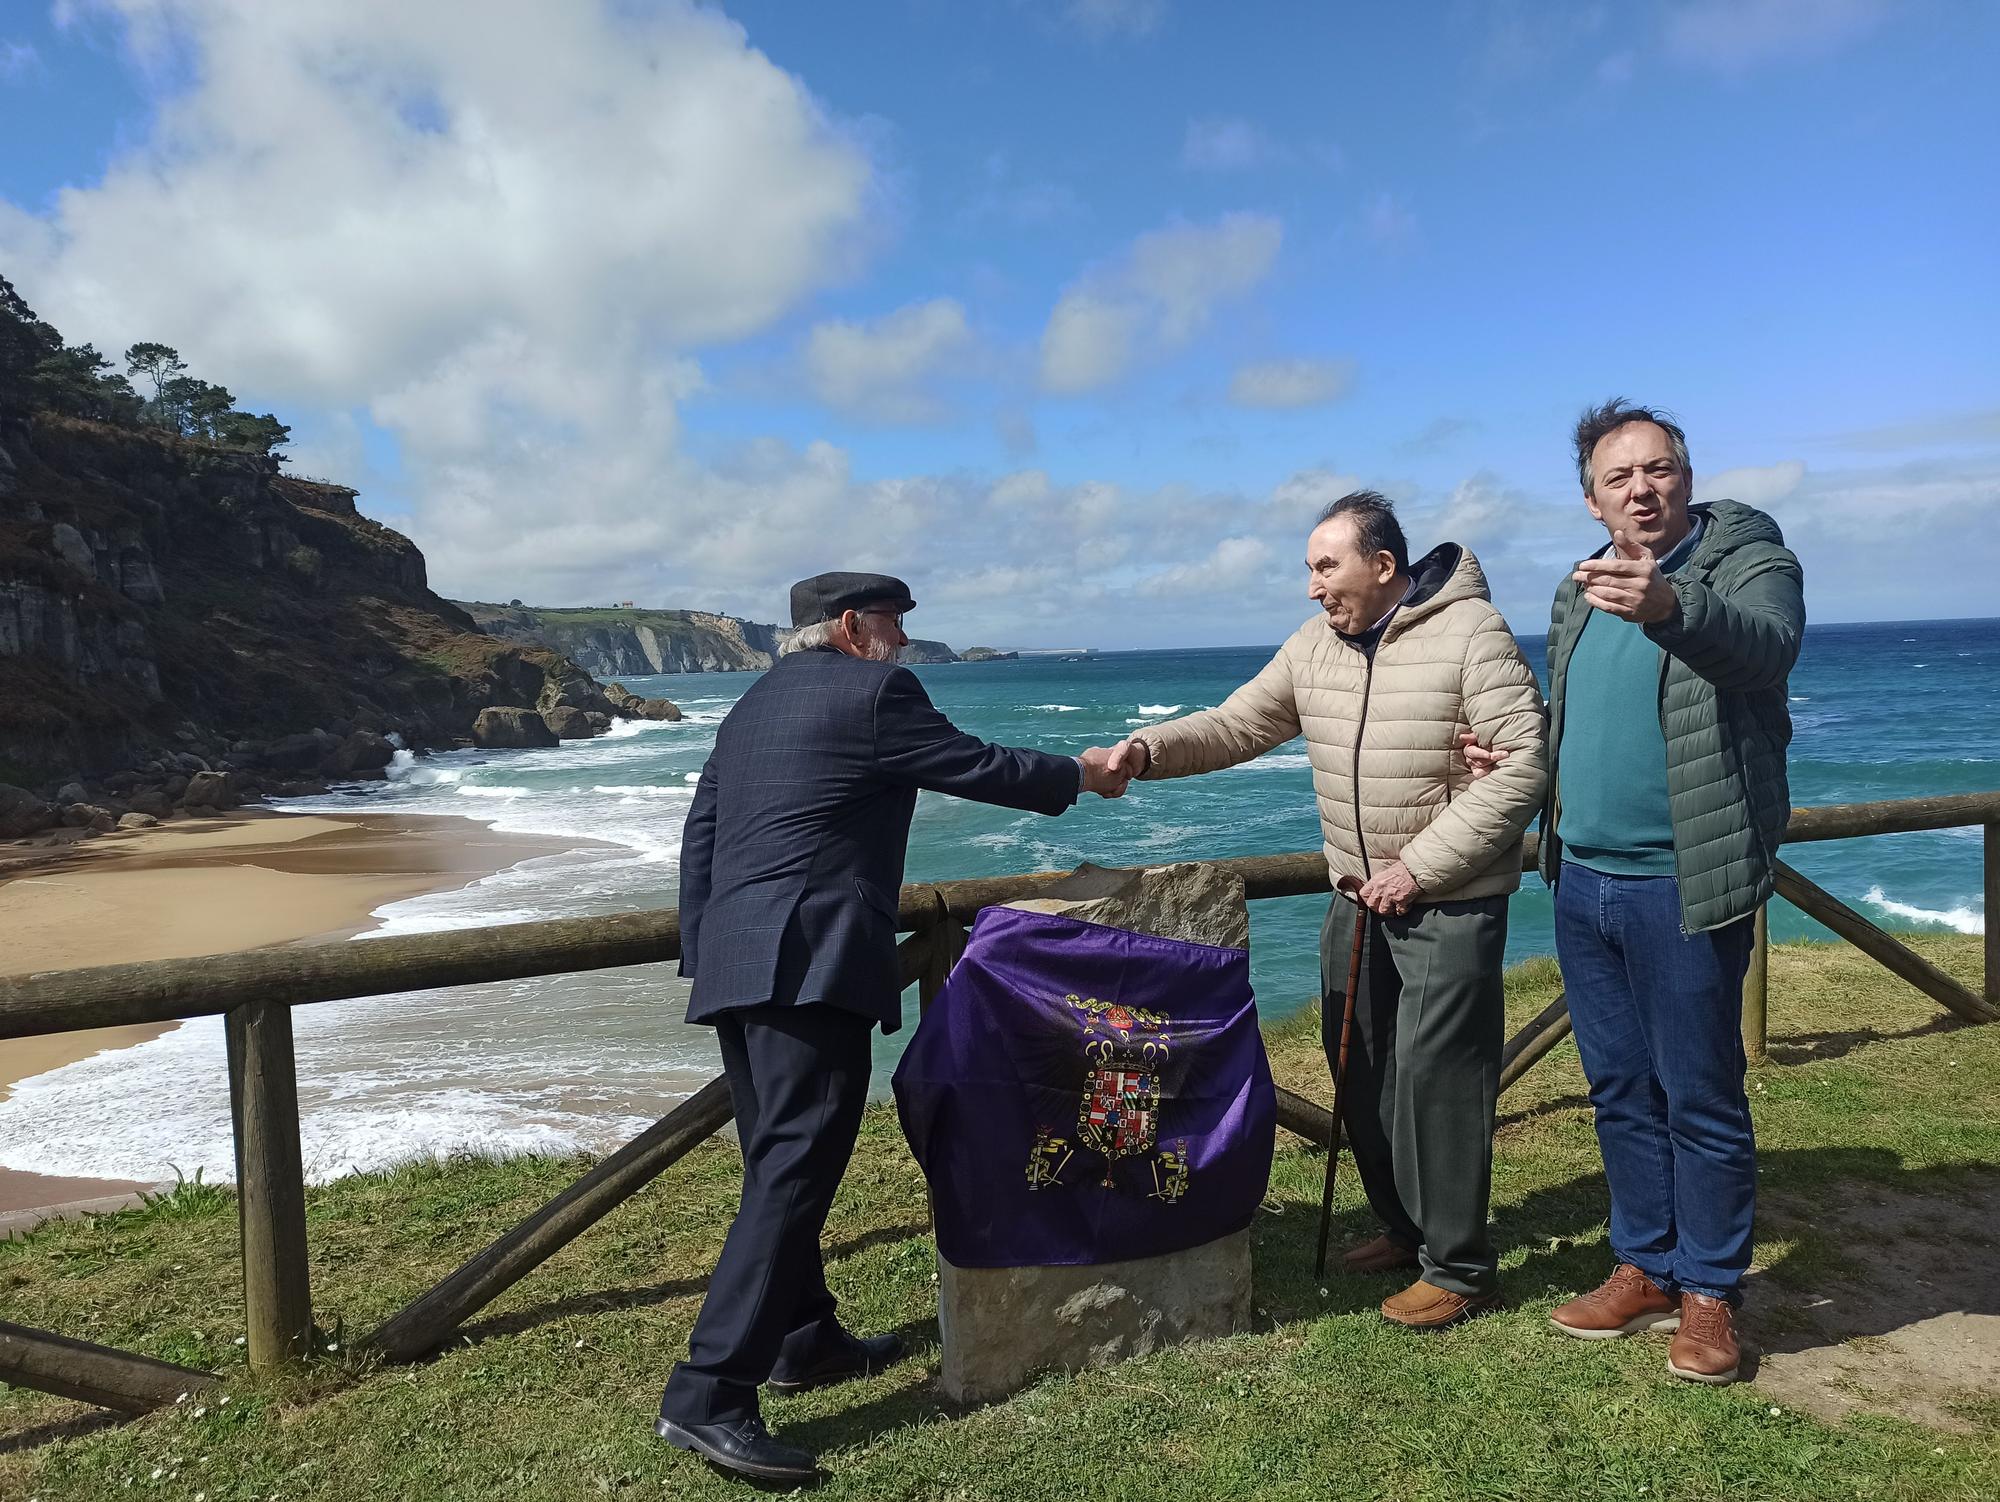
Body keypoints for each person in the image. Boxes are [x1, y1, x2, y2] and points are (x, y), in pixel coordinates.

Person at [655, 571, 1130, 1484]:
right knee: (796, 1166)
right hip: (810, 963)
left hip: (738, 957)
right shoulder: (876, 691)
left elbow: (702, 834)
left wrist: (707, 950)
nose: (905, 640)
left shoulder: (751, 702)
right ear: (848, 627)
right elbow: (973, 763)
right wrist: (1083, 774)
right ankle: (707, 1394)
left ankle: (803, 1339)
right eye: (893, 622)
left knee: (775, 1160)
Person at [1098, 491, 1548, 1328]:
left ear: (1384, 567)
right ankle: (1405, 1227)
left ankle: (1459, 1266)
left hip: (1447, 901)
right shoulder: (1317, 645)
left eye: (1325, 566)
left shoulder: (1472, 633)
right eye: (1310, 569)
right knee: (1365, 1069)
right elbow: (1238, 724)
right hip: (1356, 898)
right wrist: (1148, 750)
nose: (1313, 587)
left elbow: (1523, 764)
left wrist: (1419, 867)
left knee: (1435, 1082)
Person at [1513, 399, 1803, 1384]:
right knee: (1619, 1089)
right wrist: (1512, 767)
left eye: (1658, 468)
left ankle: (1710, 1290)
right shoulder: (1573, 589)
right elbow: (1567, 714)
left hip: (1683, 879)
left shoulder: (1743, 561)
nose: (1641, 487)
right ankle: (1642, 1262)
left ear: (1684, 475)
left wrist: (1671, 607)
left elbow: (1766, 650)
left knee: (1698, 1091)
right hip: (1580, 878)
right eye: (1618, 477)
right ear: (1589, 498)